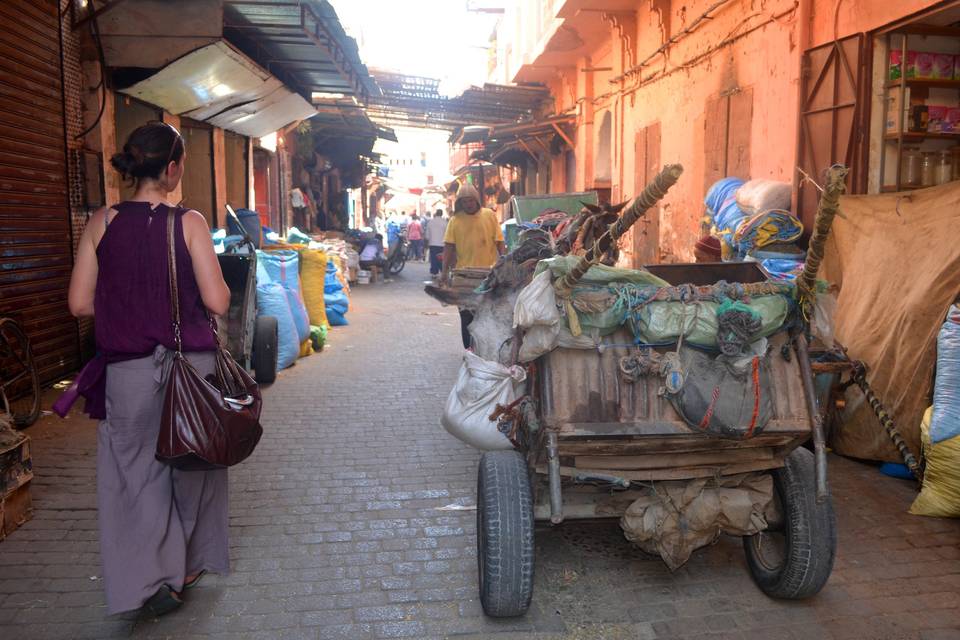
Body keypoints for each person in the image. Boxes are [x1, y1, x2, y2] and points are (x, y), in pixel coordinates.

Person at [63, 122, 231, 618]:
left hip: (129, 373)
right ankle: (188, 568)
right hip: (192, 370)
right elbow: (218, 299)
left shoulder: (103, 222)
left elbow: (78, 303)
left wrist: (127, 305)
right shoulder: (191, 223)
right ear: (174, 167)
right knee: (194, 465)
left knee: (135, 474)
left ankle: (153, 578)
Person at [441, 184, 505, 349]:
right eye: (464, 202)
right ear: (460, 204)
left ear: (476, 200)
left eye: (471, 201)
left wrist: (505, 263)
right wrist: (443, 273)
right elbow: (448, 248)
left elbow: (499, 242)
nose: (468, 204)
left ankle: (486, 349)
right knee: (466, 317)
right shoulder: (455, 221)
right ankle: (469, 351)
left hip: (488, 275)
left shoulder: (489, 215)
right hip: (463, 277)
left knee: (487, 315)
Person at [425, 209, 448, 277]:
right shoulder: (445, 222)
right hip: (442, 243)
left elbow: (427, 235)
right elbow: (447, 234)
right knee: (442, 258)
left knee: (433, 258)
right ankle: (442, 271)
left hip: (433, 243)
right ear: (442, 214)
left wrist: (428, 240)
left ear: (436, 213)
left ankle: (434, 272)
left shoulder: (430, 222)